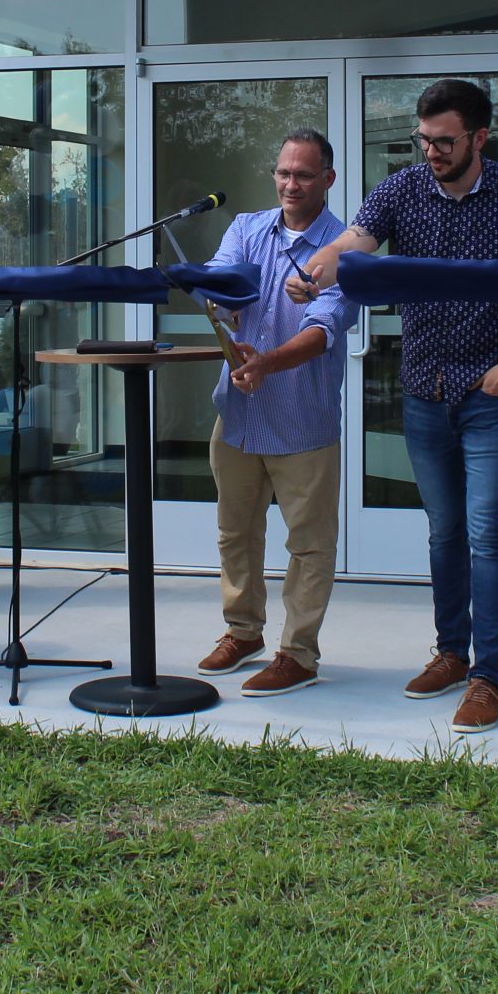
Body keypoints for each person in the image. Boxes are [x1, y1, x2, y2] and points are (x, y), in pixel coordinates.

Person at [291, 79, 498, 735]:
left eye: (444, 141)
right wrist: (316, 266)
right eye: (423, 139)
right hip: (424, 391)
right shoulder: (404, 188)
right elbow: (356, 239)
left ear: (480, 137)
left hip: (493, 395)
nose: (431, 151)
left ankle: (487, 677)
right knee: (444, 532)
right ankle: (451, 651)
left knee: (486, 534)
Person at [198, 129, 356, 699]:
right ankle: (243, 633)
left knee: (308, 546)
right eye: (284, 173)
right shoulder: (245, 228)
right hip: (238, 414)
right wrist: (218, 299)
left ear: (328, 180)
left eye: (305, 175)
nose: (291, 184)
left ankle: (298, 654)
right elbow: (221, 283)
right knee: (234, 533)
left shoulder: (343, 247)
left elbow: (323, 330)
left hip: (302, 419)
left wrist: (266, 362)